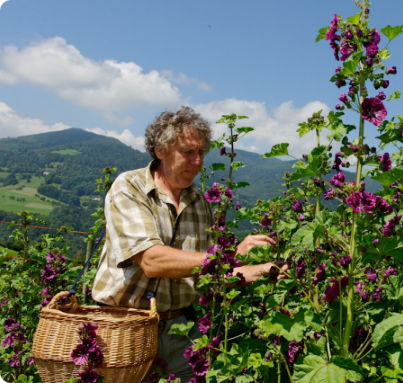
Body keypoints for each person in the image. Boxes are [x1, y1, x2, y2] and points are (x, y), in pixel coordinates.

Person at [91, 106, 286, 380]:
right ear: (160, 150)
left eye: (201, 153)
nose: (197, 162)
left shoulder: (198, 202)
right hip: (125, 328)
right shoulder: (130, 187)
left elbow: (207, 271)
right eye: (187, 152)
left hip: (182, 331)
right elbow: (151, 260)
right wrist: (229, 256)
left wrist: (260, 270)